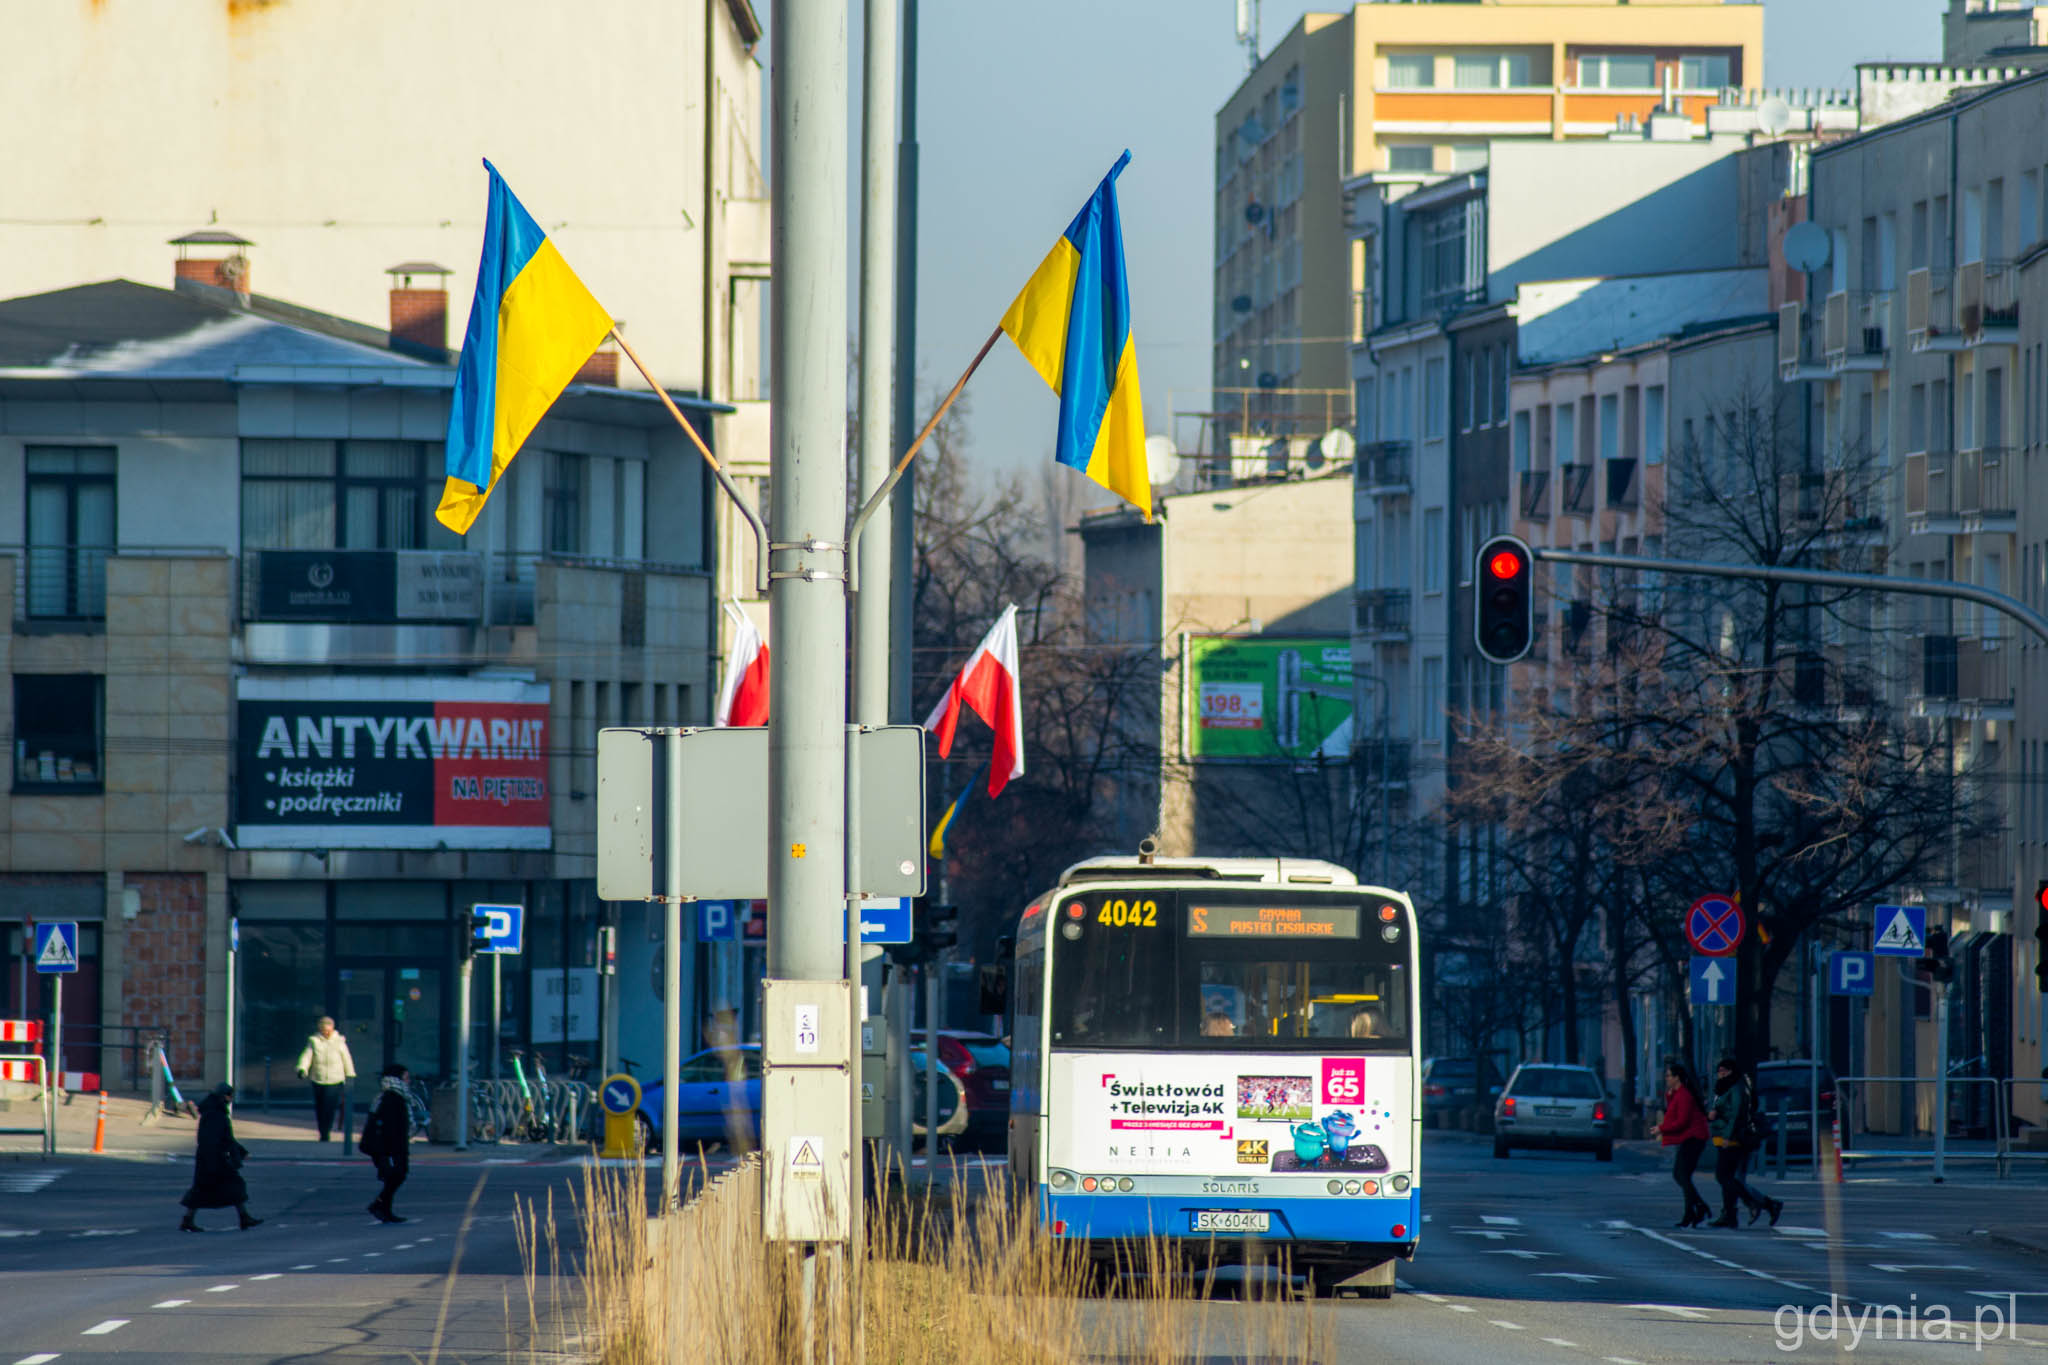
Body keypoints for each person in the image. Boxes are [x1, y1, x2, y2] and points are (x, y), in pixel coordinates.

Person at [1707, 1056, 1783, 1228]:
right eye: (1719, 1071)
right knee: (1730, 1179)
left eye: (1724, 1071)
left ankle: (1759, 1203)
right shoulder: (1724, 1088)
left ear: (1732, 1072)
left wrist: (1727, 1136)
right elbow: (1723, 1110)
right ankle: (1730, 1214)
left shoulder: (1737, 1088)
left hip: (1733, 1139)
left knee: (1724, 1177)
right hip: (1723, 1136)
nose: (1721, 1075)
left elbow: (1736, 1115)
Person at [179, 1083, 261, 1232]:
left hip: (208, 1157)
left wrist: (240, 1151)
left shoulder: (213, 1111)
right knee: (233, 1185)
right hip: (214, 1158)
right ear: (224, 1096)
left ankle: (188, 1220)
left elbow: (225, 1138)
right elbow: (225, 1138)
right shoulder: (216, 1114)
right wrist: (238, 1153)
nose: (231, 1099)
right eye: (230, 1096)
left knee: (203, 1189)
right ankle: (244, 1217)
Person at [1656, 1060, 1712, 1229]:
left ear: (1677, 1077)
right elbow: (1673, 1108)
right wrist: (1669, 1093)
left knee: (1680, 1175)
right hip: (1690, 1138)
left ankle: (1698, 1208)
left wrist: (1661, 1128)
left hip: (1694, 1138)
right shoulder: (1678, 1093)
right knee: (1682, 1176)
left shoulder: (1685, 1095)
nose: (1666, 1078)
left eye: (1668, 1076)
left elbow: (1681, 1121)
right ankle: (1693, 1211)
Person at [360, 1062, 412, 1224]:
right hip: (388, 1146)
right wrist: (389, 1152)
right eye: (406, 1077)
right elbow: (390, 1126)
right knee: (397, 1174)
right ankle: (380, 1205)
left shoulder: (387, 1095)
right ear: (398, 1078)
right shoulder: (393, 1097)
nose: (408, 1081)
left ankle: (384, 1208)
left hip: (384, 1145)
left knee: (393, 1177)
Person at [295, 1016, 357, 1142]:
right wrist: (302, 1069)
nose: (326, 1033)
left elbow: (346, 1058)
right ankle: (322, 1129)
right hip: (318, 1078)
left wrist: (350, 1074)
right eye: (323, 1030)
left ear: (332, 1029)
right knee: (320, 1107)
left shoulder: (339, 1041)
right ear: (320, 1029)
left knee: (329, 1106)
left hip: (335, 1079)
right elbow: (306, 1057)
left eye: (328, 1030)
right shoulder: (314, 1041)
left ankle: (325, 1132)